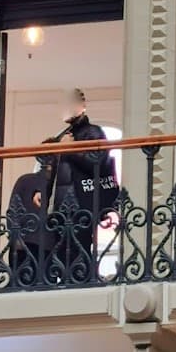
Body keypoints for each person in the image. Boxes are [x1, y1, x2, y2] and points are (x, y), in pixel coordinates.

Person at [48, 89, 117, 282]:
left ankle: (84, 283)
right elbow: (54, 172)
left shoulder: (93, 132)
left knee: (79, 250)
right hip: (62, 205)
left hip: (80, 203)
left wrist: (69, 149)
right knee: (62, 252)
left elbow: (97, 162)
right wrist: (42, 190)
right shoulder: (64, 136)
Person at [5, 170, 52, 285]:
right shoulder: (27, 180)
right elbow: (13, 211)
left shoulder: (26, 180)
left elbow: (13, 211)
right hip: (28, 245)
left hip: (42, 247)